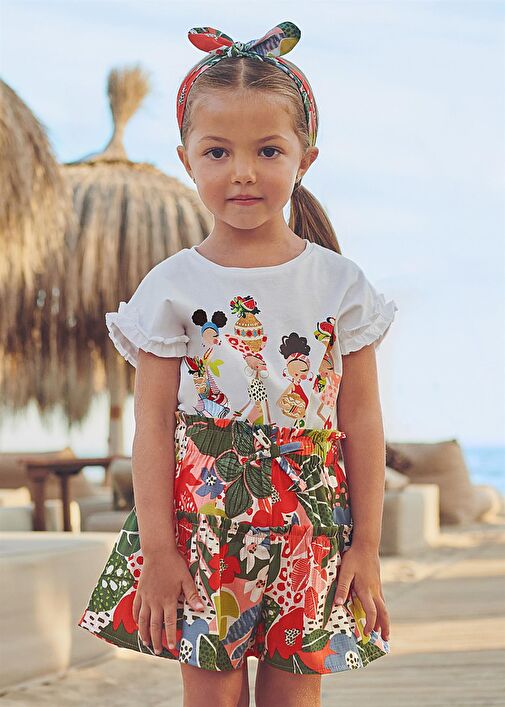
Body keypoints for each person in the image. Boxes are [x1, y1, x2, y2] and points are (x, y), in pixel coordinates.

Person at [78, 21, 398, 707]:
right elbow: (153, 427)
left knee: (293, 699)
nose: (242, 171)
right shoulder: (170, 286)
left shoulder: (341, 284)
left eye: (268, 150)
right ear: (186, 159)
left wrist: (365, 547)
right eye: (217, 151)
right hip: (202, 530)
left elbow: (363, 421)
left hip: (312, 526)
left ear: (305, 159)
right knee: (213, 699)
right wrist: (158, 553)